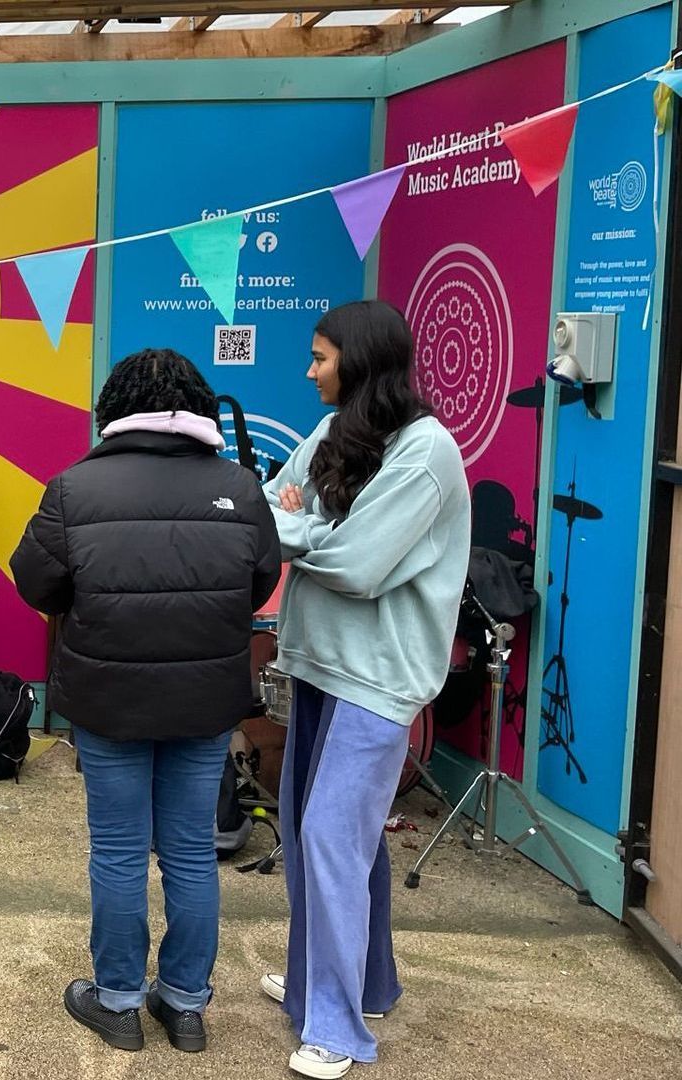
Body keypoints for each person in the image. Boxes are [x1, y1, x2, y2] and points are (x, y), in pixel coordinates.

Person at [10, 349, 280, 1055]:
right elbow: (257, 584)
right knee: (191, 851)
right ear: (200, 406)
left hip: (110, 700)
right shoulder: (241, 487)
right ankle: (186, 1006)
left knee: (120, 851)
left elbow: (35, 584)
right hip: (205, 700)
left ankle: (119, 1002)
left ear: (114, 408)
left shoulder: (74, 488)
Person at [262, 300, 469, 1079]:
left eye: (320, 357)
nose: (309, 370)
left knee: (330, 838)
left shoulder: (427, 452)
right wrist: (314, 528)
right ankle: (353, 983)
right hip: (318, 660)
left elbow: (357, 566)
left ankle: (338, 1028)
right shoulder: (335, 429)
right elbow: (270, 500)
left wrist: (305, 529)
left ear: (361, 360)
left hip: (378, 678)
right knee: (324, 835)